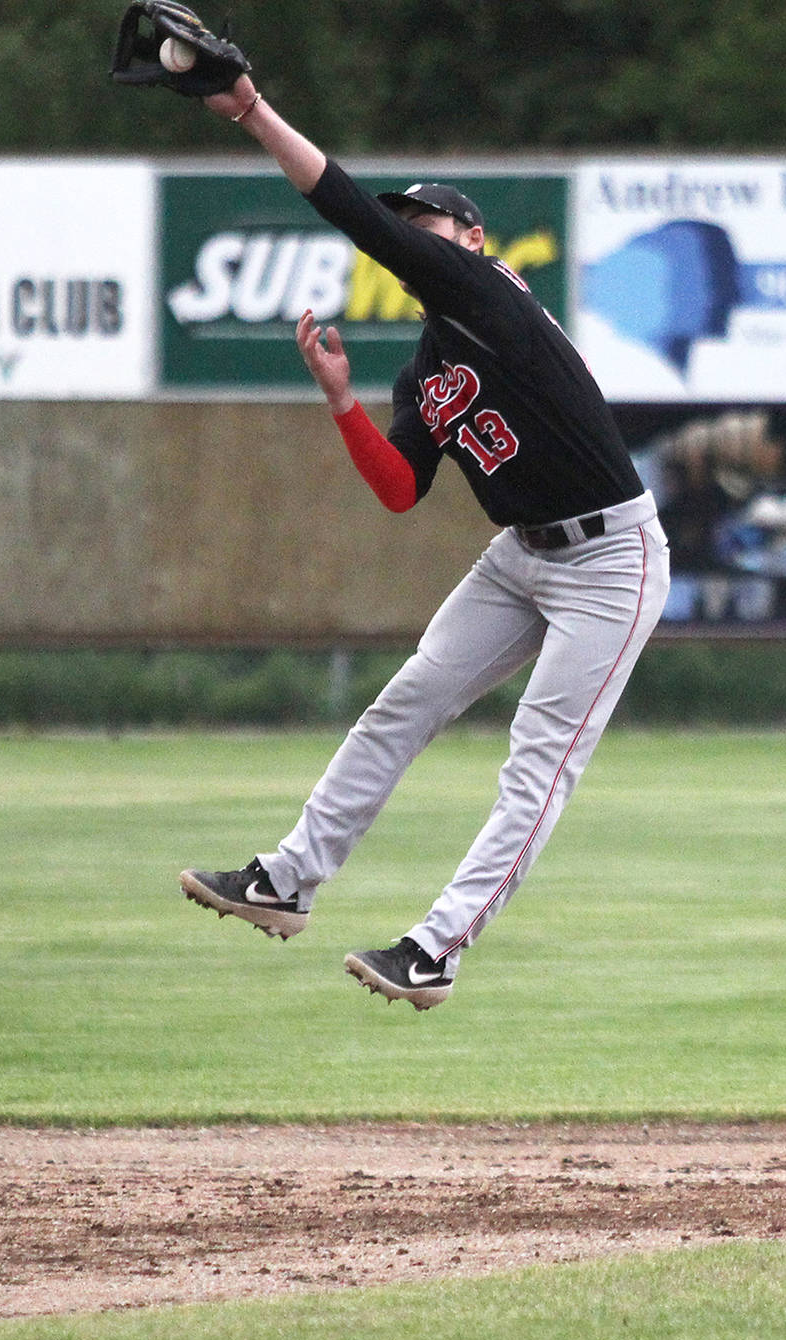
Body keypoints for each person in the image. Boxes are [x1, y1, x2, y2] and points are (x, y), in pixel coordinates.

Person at [175, 65, 668, 1010]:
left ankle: (435, 948)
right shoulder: (429, 365)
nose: (412, 236)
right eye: (413, 227)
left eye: (427, 224)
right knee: (403, 703)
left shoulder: (489, 295)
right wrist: (338, 402)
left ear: (472, 240)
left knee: (536, 763)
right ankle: (287, 880)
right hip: (522, 554)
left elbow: (354, 214)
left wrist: (250, 111)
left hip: (612, 559)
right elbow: (401, 489)